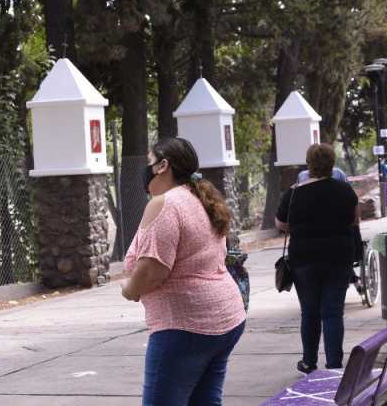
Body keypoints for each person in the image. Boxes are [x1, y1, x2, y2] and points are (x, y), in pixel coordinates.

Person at [122, 137, 246, 405]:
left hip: (185, 325)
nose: (146, 170)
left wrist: (130, 289)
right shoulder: (199, 198)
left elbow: (152, 272)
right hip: (225, 318)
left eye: (149, 162)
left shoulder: (166, 204)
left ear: (162, 165)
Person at [276, 144, 359, 374]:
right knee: (333, 312)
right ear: (332, 163)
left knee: (310, 312)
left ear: (309, 164)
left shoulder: (294, 193)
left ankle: (309, 362)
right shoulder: (345, 191)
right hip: (338, 258)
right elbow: (354, 220)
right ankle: (334, 364)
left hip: (304, 260)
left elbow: (281, 224)